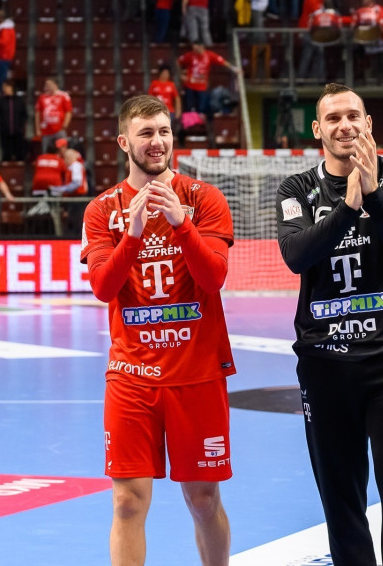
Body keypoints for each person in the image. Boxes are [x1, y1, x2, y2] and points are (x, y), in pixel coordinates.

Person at [275, 83, 383, 566]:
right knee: (341, 504)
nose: (344, 126)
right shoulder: (297, 189)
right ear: (317, 129)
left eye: (353, 116)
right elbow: (297, 256)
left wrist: (375, 195)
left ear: (368, 124)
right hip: (325, 365)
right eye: (333, 118)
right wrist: (348, 205)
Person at [81, 94, 235, 566]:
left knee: (203, 499)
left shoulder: (203, 198)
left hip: (197, 374)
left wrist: (181, 225)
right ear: (123, 142)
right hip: (131, 375)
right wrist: (132, 234)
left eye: (164, 131)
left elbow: (213, 278)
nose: (157, 141)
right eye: (146, 133)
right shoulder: (100, 210)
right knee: (127, 501)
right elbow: (103, 288)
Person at [177, 43, 241, 127]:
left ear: (201, 46)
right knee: (190, 107)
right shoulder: (191, 55)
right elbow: (178, 61)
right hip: (190, 85)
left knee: (202, 108)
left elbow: (222, 61)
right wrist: (180, 75)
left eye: (196, 47)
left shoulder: (209, 55)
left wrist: (234, 69)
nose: (195, 50)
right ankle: (190, 125)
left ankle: (201, 126)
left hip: (202, 86)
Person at [353, 0, 383, 86]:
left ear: (371, 1)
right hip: (363, 38)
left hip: (376, 37)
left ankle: (382, 79)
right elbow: (354, 22)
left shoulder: (379, 10)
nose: (363, 0)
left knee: (380, 55)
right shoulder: (361, 11)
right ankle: (360, 78)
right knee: (356, 50)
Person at [297, 0, 327, 83]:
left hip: (316, 31)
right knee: (308, 54)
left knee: (319, 54)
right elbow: (318, 13)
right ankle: (301, 78)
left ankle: (319, 78)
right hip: (308, 30)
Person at [35, 78, 73, 153]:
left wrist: (64, 126)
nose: (47, 86)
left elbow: (68, 112)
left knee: (62, 151)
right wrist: (38, 129)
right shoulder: (42, 97)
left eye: (49, 84)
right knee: (45, 151)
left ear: (55, 85)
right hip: (46, 131)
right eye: (46, 85)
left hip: (59, 129)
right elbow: (37, 113)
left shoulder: (63, 96)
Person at [0, 79, 28, 161]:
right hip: (5, 132)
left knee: (19, 153)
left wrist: (21, 126)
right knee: (6, 154)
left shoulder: (19, 100)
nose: (4, 89)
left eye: (5, 87)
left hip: (18, 131)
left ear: (11, 87)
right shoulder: (1, 101)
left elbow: (24, 115)